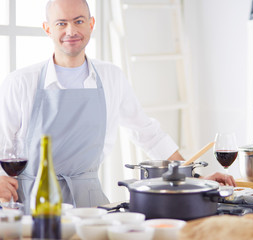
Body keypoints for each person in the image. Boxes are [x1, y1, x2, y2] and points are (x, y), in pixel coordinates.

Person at [0, 0, 235, 213]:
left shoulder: (111, 77)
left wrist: (195, 178)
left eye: (78, 21)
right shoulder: (21, 82)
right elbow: (4, 143)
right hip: (31, 203)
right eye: (61, 23)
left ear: (91, 24)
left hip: (90, 207)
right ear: (48, 28)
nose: (70, 31)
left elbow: (148, 134)